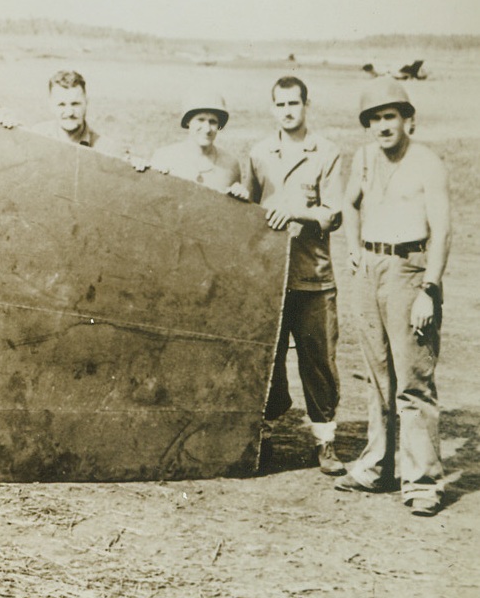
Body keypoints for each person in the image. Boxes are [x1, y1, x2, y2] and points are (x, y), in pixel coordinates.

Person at [336, 82, 451, 517]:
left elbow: (442, 231)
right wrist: (353, 247)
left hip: (410, 270)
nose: (383, 125)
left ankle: (422, 481)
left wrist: (430, 289)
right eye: (375, 118)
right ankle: (376, 466)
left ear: (408, 120)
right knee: (376, 373)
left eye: (391, 116)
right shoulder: (364, 158)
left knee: (413, 380)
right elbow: (349, 204)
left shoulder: (427, 163)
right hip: (370, 268)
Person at [244, 77, 344, 474]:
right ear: (272, 109)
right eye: (281, 104)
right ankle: (263, 437)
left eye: (294, 103)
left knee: (318, 361)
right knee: (268, 362)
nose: (288, 110)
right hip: (270, 280)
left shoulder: (327, 153)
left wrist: (296, 212)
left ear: (306, 106)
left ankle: (326, 442)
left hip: (313, 276)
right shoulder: (258, 154)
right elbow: (248, 211)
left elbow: (332, 214)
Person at [150, 89, 248, 198]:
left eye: (212, 122)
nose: (207, 129)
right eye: (200, 120)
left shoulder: (230, 165)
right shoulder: (164, 157)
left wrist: (240, 196)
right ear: (188, 121)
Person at [29, 70, 138, 161]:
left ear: (86, 102)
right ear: (51, 106)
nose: (69, 112)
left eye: (75, 104)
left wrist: (138, 167)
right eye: (61, 105)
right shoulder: (35, 136)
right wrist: (12, 134)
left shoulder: (107, 150)